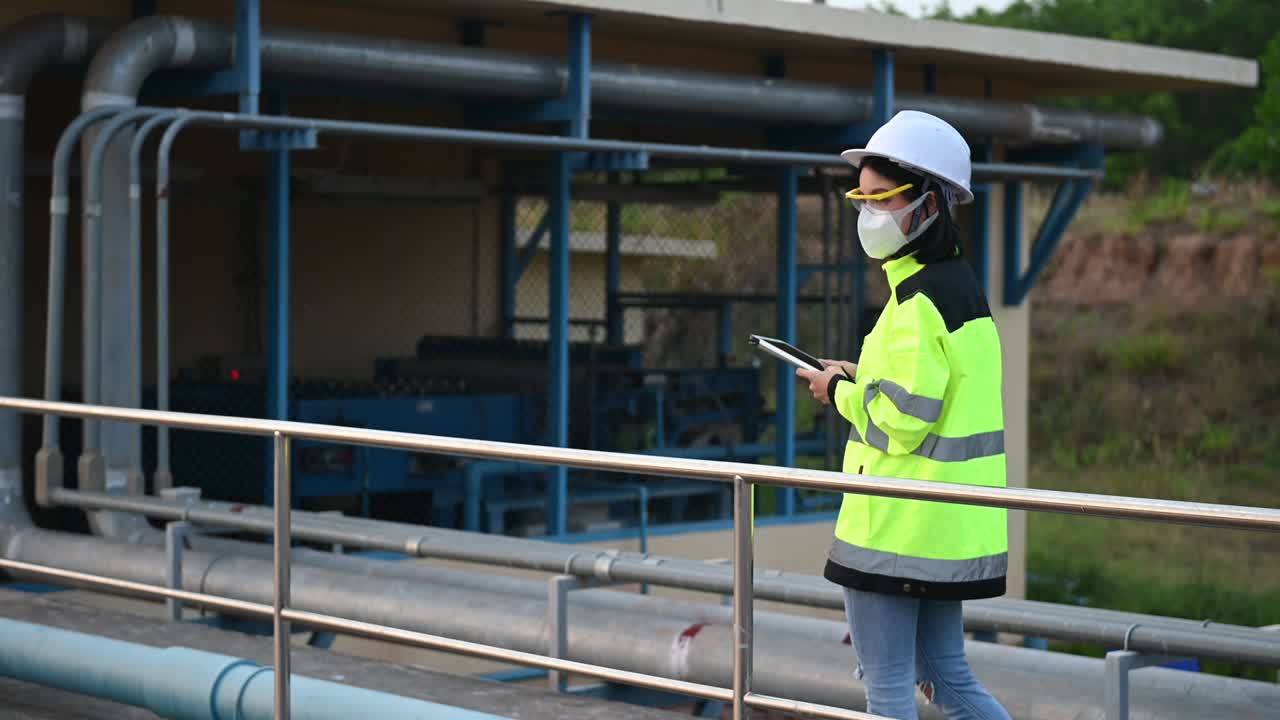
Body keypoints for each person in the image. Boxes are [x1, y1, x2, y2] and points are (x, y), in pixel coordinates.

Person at [795, 110, 1013, 720]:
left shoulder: (915, 303)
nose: (869, 215)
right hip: (946, 528)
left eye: (880, 199)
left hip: (896, 528)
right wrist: (857, 378)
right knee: (949, 680)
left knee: (887, 691)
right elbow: (927, 398)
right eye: (860, 200)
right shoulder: (958, 289)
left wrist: (834, 391)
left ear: (930, 204)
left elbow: (901, 420)